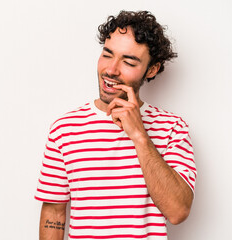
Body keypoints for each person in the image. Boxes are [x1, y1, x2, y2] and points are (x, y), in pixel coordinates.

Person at [35, 10, 196, 240]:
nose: (111, 69)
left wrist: (139, 135)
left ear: (152, 69)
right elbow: (54, 213)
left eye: (129, 61)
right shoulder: (64, 129)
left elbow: (178, 211)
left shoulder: (172, 128)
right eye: (107, 54)